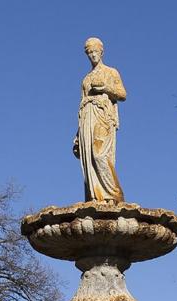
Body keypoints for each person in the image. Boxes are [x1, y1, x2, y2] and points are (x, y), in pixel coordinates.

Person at [72, 37, 126, 202]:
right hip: (87, 117)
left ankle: (114, 195)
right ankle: (96, 197)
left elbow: (122, 94)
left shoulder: (111, 72)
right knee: (89, 157)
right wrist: (77, 134)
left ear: (101, 52)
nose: (93, 55)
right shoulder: (86, 79)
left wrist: (105, 88)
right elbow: (82, 103)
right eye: (89, 53)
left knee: (100, 155)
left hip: (102, 114)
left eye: (95, 51)